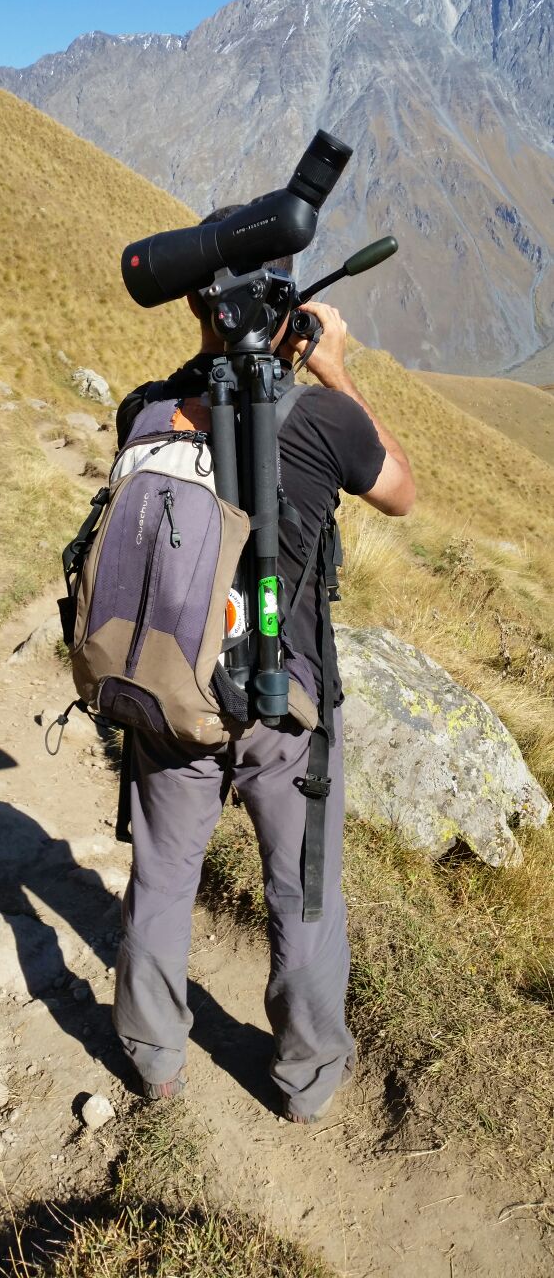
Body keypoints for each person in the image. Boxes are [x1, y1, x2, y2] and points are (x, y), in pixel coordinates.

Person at [112, 234, 415, 1122]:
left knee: (164, 873)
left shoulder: (143, 410)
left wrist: (214, 346)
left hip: (170, 691)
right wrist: (334, 367)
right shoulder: (326, 423)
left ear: (199, 312)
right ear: (284, 324)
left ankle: (153, 1058)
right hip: (289, 706)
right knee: (304, 890)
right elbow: (399, 489)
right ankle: (306, 1080)